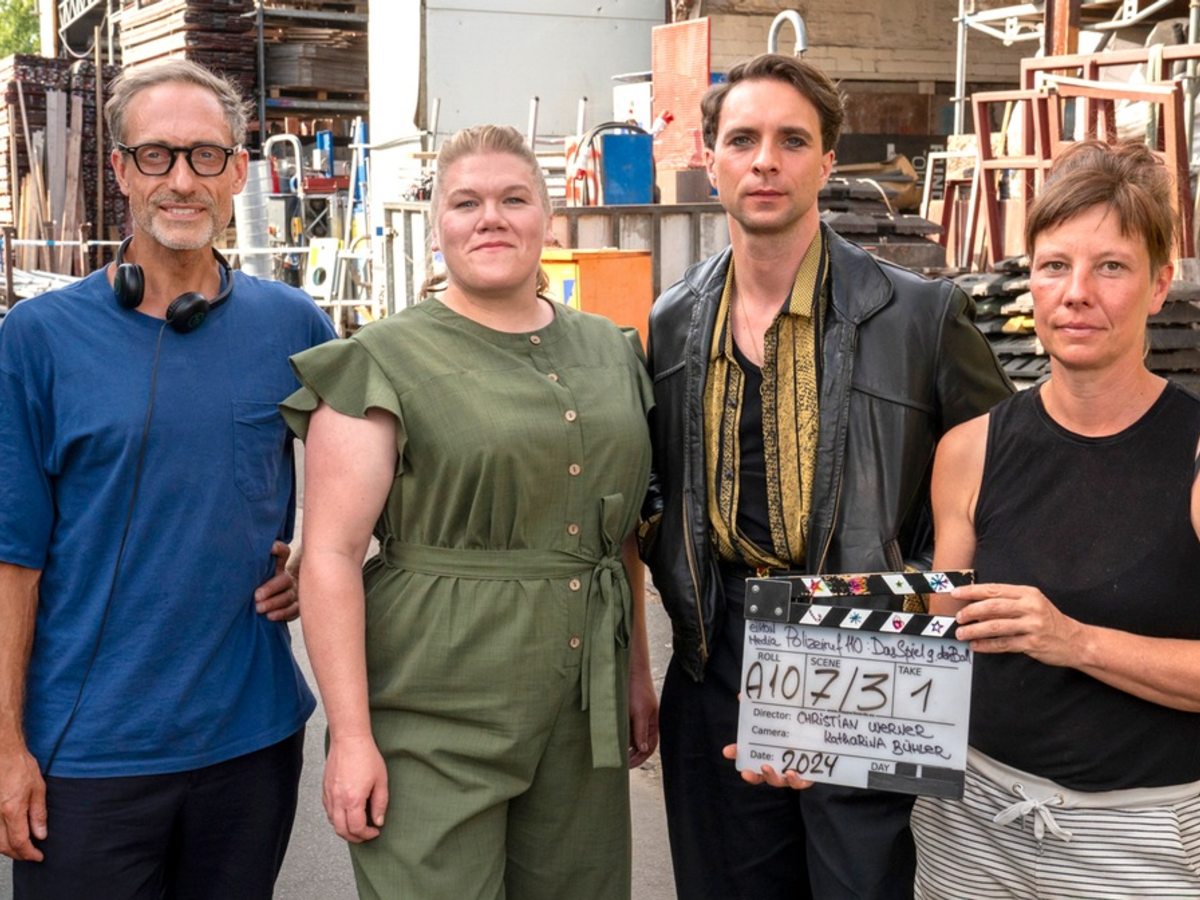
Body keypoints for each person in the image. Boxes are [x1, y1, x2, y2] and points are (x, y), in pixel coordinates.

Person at [639, 53, 1013, 900]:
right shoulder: (672, 319)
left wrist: (931, 597)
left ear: (827, 163)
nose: (765, 161)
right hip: (718, 652)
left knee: (862, 884)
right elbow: (653, 482)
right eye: (743, 140)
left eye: (792, 140)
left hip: (871, 644)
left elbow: (1008, 476)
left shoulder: (920, 316)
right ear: (709, 159)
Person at [280, 123, 656, 900]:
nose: (491, 218)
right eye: (466, 202)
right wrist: (350, 737)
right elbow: (330, 557)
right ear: (437, 226)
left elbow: (619, 536)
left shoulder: (612, 350)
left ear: (548, 218)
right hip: (431, 708)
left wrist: (636, 676)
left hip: (580, 709)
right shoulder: (382, 359)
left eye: (514, 199)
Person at [0, 59, 336, 898]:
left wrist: (316, 557)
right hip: (86, 755)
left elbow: (363, 484)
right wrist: (6, 747)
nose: (182, 180)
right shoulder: (37, 339)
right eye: (156, 155)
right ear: (120, 170)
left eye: (205, 155)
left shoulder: (296, 326)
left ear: (238, 171)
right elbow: (12, 562)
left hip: (252, 742)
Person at [910, 140, 1200, 898]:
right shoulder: (968, 451)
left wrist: (1075, 641)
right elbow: (940, 644)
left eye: (1111, 267)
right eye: (1053, 265)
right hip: (971, 828)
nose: (1076, 293)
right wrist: (815, 732)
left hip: (1142, 843)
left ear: (1159, 284)